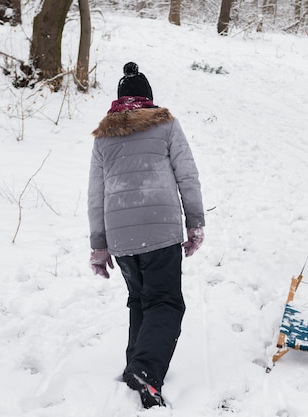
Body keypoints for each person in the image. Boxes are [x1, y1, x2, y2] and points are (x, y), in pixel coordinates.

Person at [87, 62, 205, 408]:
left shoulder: (103, 138)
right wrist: (195, 223)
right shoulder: (166, 123)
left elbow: (96, 195)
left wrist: (99, 244)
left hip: (122, 239)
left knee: (140, 299)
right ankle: (146, 370)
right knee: (165, 302)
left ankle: (134, 368)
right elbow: (188, 175)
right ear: (148, 98)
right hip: (160, 228)